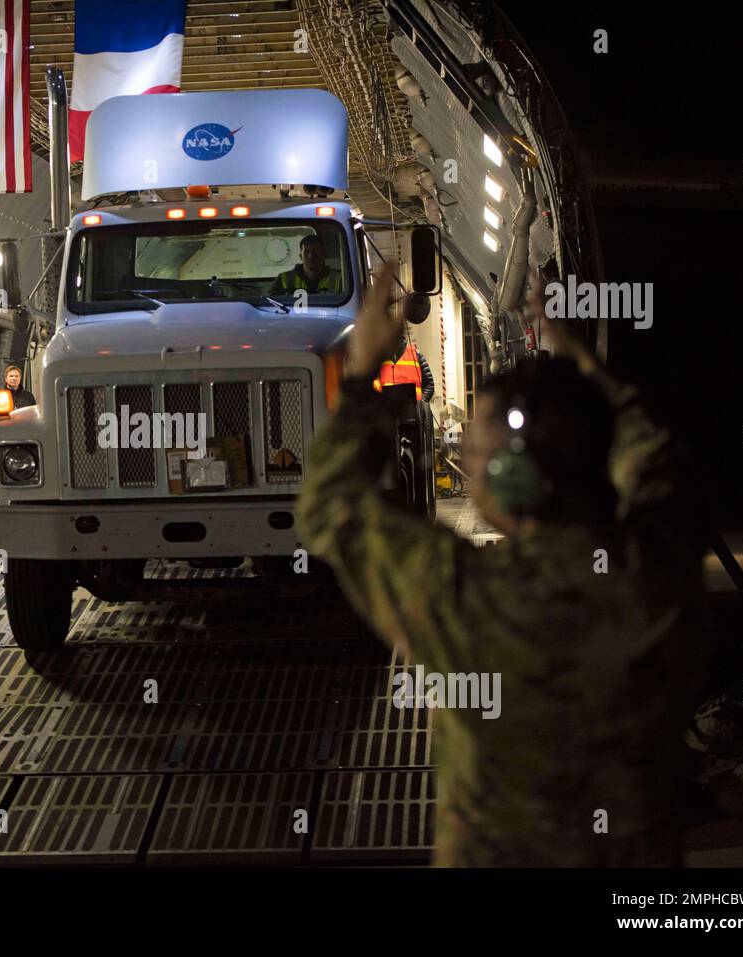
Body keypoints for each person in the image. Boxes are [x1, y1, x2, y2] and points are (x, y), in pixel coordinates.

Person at [297, 263, 710, 866]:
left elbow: (330, 504)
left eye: (478, 451)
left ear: (517, 476)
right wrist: (583, 364)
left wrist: (361, 375)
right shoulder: (659, 569)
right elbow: (660, 462)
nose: (467, 459)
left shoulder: (467, 597)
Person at [269, 233, 342, 296]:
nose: (311, 256)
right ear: (301, 257)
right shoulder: (284, 279)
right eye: (306, 252)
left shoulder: (339, 279)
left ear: (324, 254)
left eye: (316, 251)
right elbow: (270, 305)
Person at [375, 334, 435, 403]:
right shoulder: (379, 360)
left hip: (413, 411)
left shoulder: (416, 356)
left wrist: (421, 405)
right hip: (388, 411)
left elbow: (429, 385)